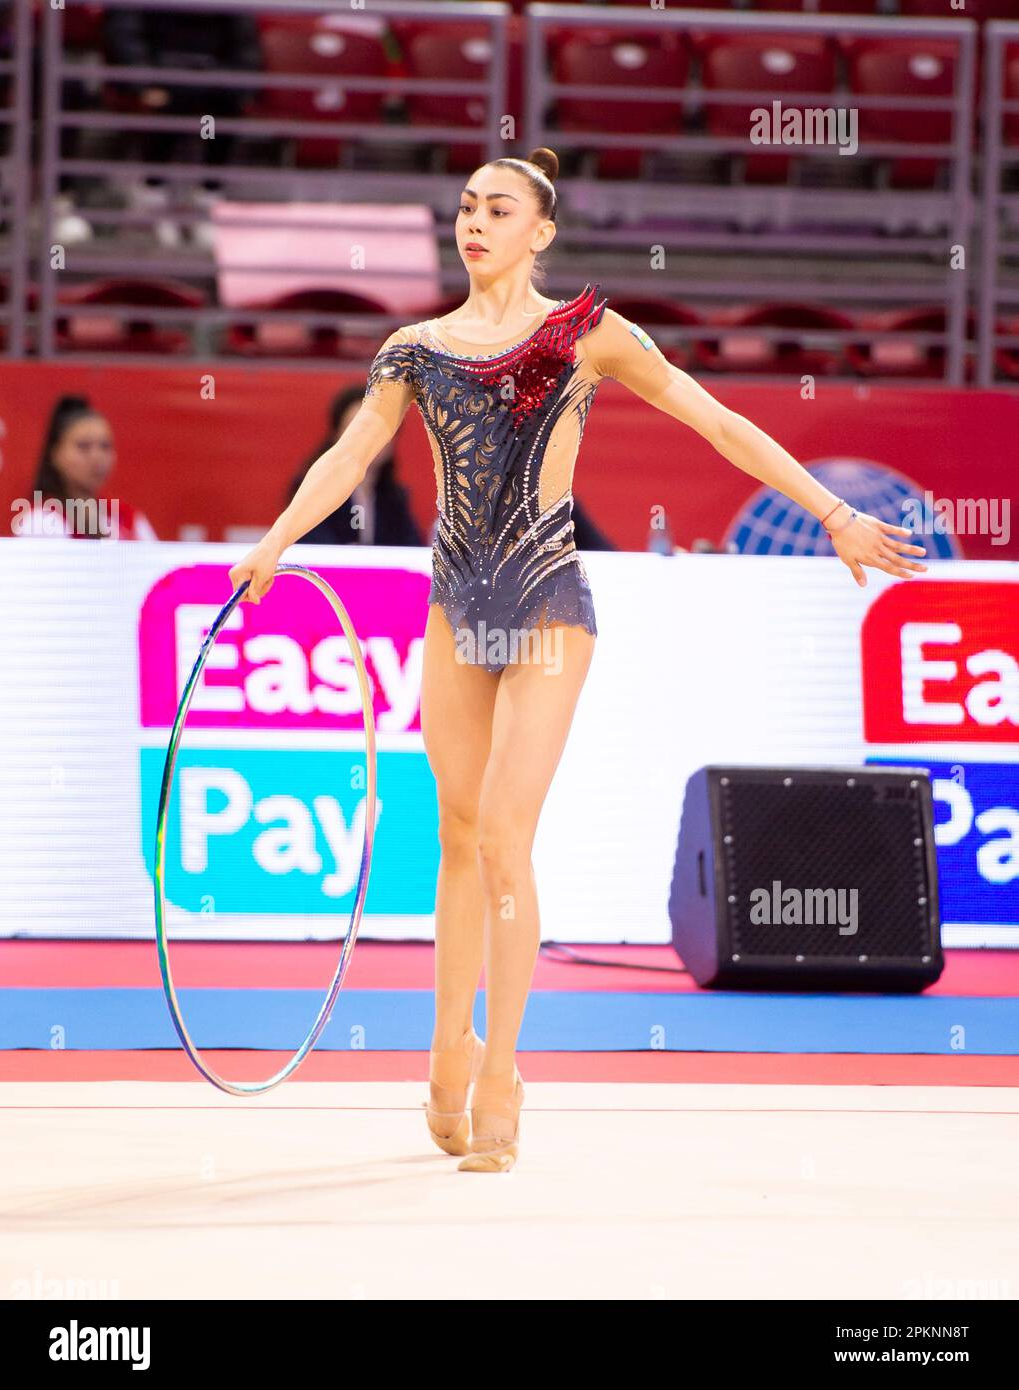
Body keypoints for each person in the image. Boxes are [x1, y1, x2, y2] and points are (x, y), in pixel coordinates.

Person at [228, 148, 927, 1173]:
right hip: (455, 603)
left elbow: (715, 417)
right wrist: (277, 538)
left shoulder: (587, 333)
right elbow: (350, 456)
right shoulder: (412, 349)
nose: (475, 222)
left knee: (506, 835)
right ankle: (445, 1045)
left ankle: (503, 1063)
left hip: (547, 596)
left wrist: (830, 512)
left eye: (498, 208)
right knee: (457, 835)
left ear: (540, 231)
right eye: (465, 205)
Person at [285, 385, 423, 546]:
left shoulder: (394, 498)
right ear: (337, 436)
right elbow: (311, 544)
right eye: (357, 430)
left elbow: (412, 549)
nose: (368, 439)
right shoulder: (312, 488)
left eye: (378, 430)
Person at [13, 395, 157, 540]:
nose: (97, 457)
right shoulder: (42, 521)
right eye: (83, 446)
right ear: (55, 454)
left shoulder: (128, 519)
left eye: (105, 446)